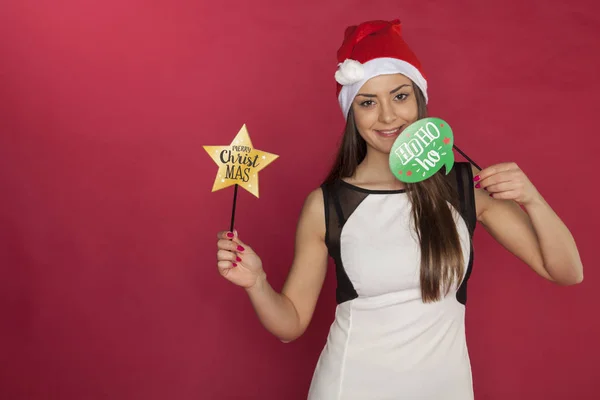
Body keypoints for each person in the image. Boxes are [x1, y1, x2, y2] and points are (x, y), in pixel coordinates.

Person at [214, 19, 583, 399]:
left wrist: (532, 199)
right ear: (352, 113)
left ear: (419, 98)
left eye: (400, 96)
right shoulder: (327, 204)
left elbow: (567, 272)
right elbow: (290, 324)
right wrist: (257, 283)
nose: (388, 117)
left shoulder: (464, 185)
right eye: (368, 102)